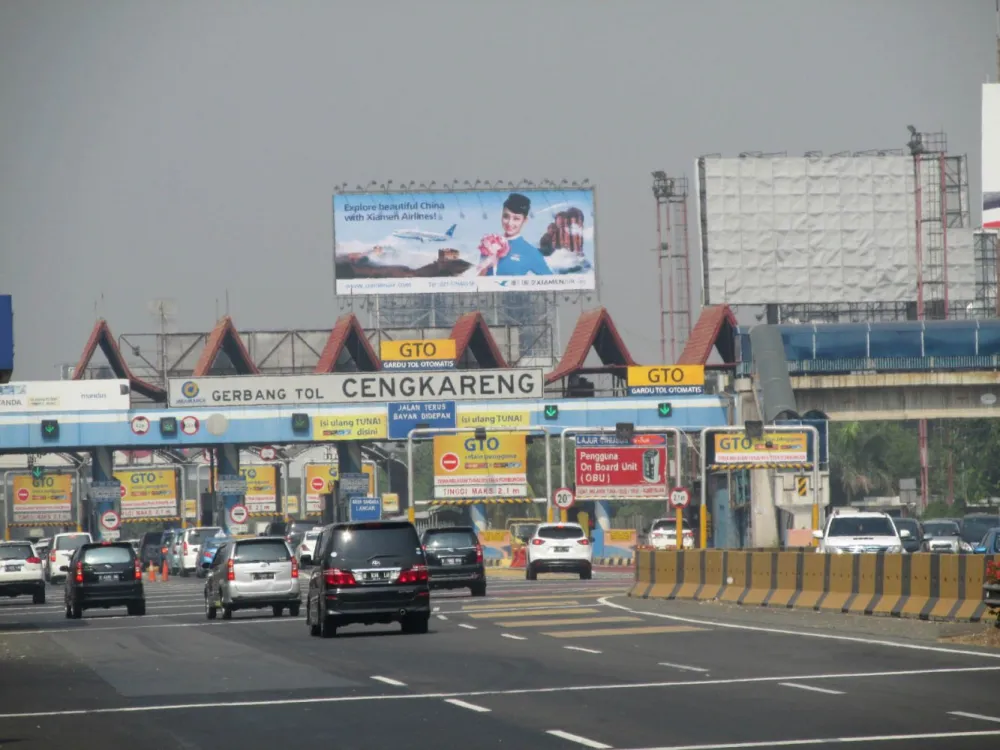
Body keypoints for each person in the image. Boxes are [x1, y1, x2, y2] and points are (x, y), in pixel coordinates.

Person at [479, 193, 553, 276]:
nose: (510, 223)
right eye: (506, 216)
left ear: (524, 220)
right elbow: (479, 282)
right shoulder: (489, 244)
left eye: (516, 218)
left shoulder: (531, 252)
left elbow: (552, 282)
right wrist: (485, 265)